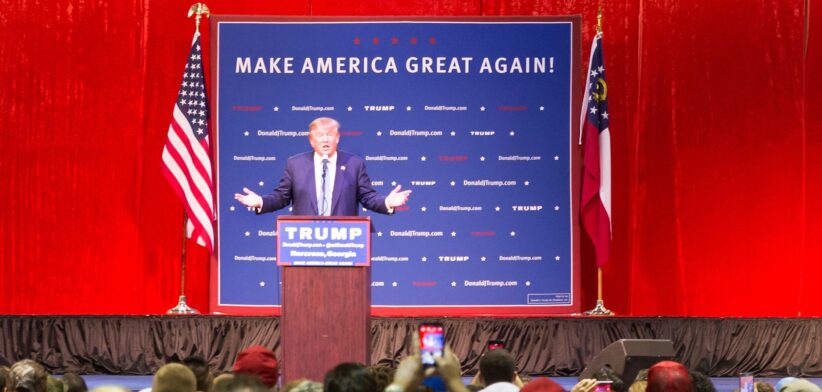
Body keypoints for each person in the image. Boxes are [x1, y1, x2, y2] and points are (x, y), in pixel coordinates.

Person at [235, 117, 411, 216]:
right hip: (304, 244)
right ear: (311, 140)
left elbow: (368, 197)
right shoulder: (295, 164)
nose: (325, 139)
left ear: (338, 138)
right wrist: (261, 202)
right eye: (320, 135)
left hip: (344, 244)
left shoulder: (354, 164)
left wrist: (387, 202)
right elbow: (281, 196)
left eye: (330, 135)